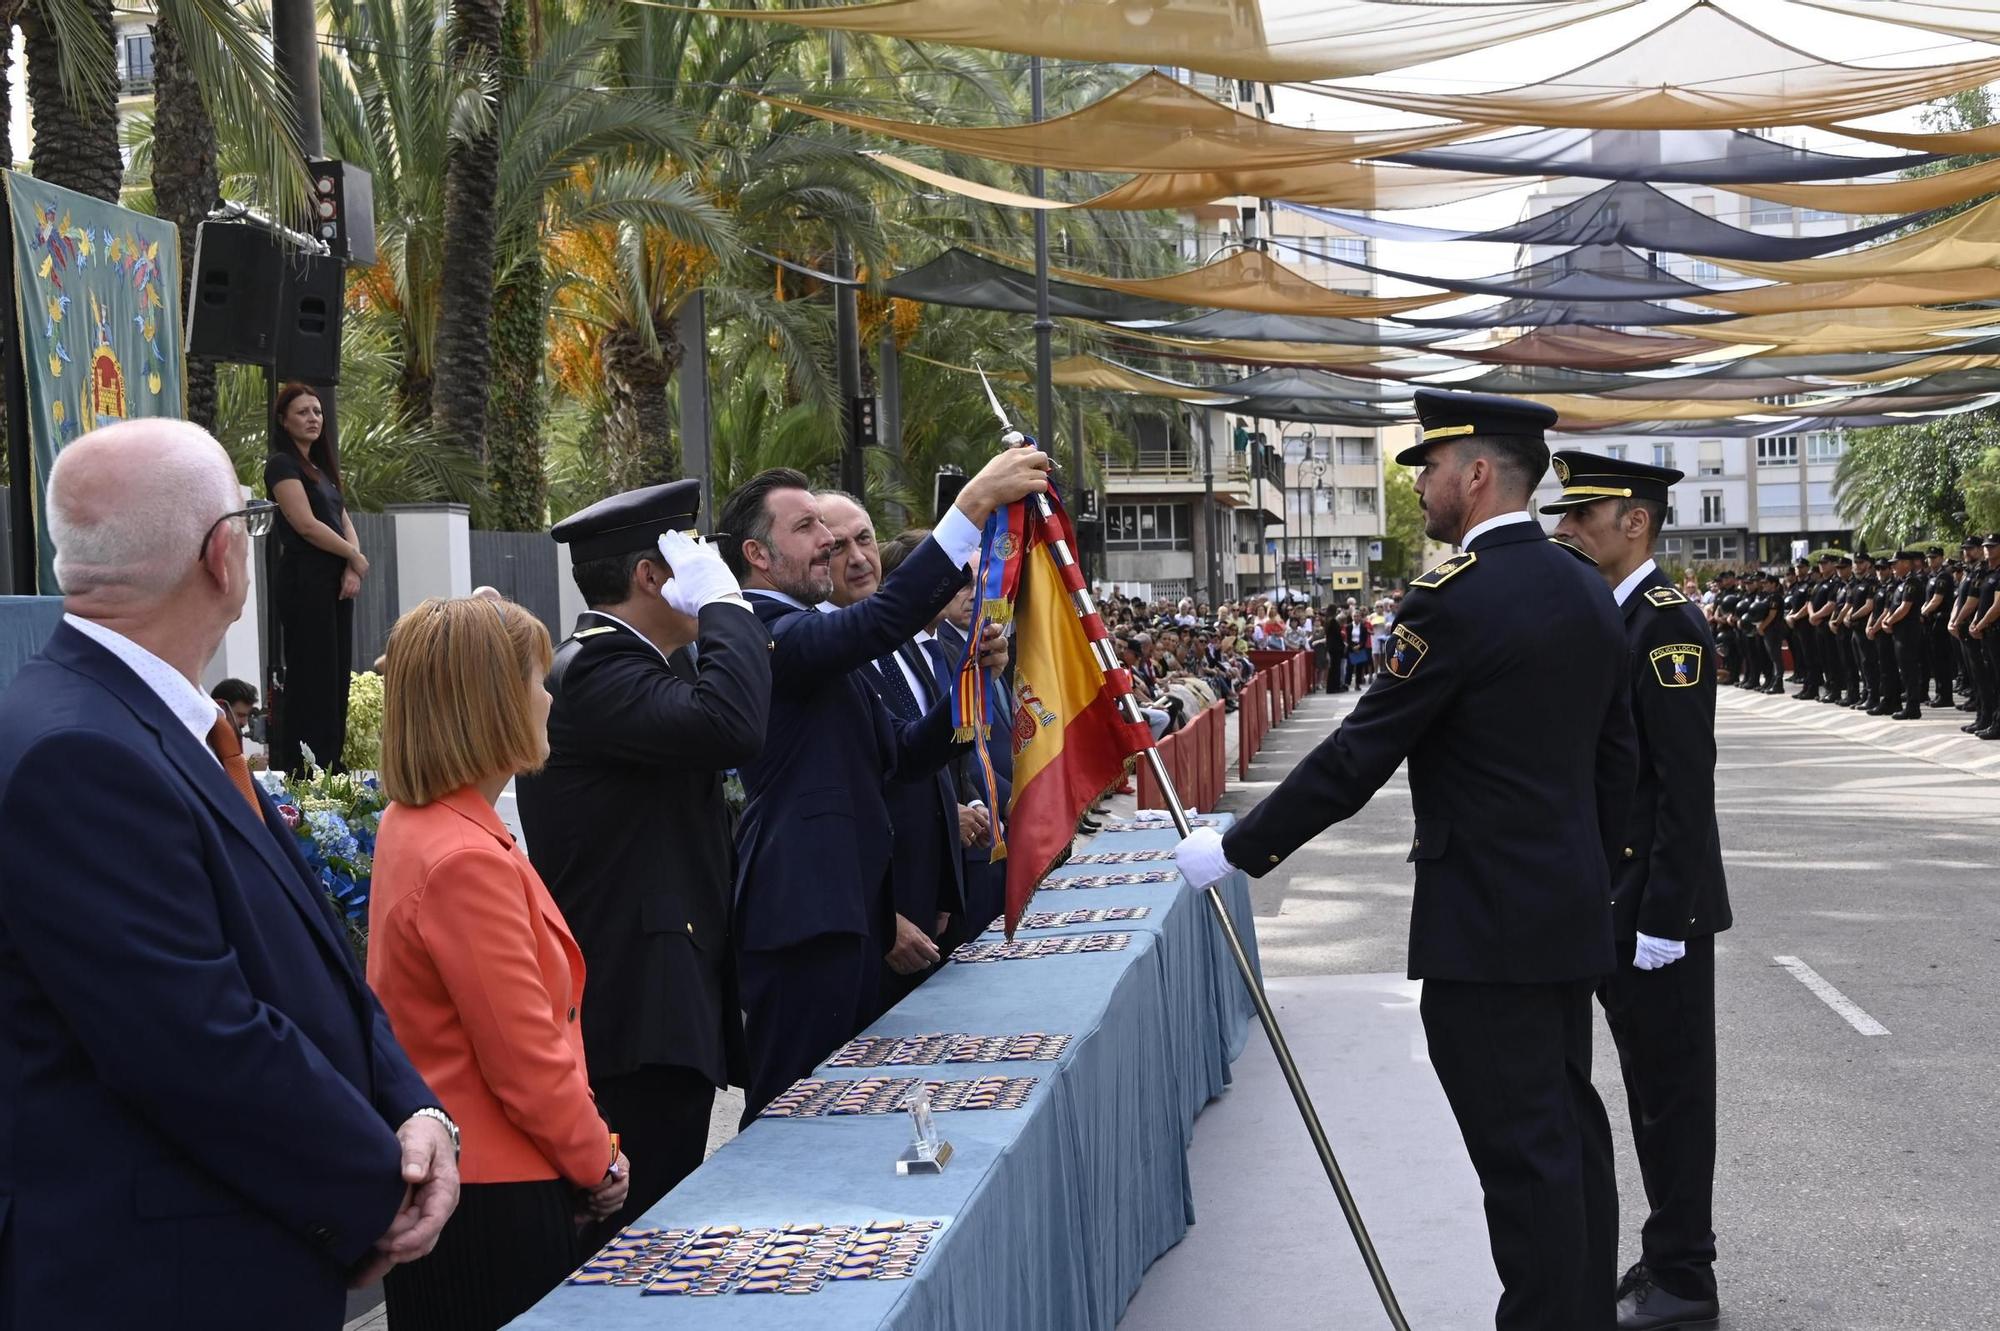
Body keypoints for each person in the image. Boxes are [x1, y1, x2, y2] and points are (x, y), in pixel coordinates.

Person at [1176, 390, 1636, 1331]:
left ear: (1476, 474)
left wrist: (1234, 843)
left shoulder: (1455, 599)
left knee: (1522, 1156)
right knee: (1567, 1135)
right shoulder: (1586, 584)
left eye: (1429, 467)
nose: (1421, 484)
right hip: (1565, 912)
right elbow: (1619, 762)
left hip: (1486, 927)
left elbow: (1358, 756)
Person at [0, 419, 455, 1329]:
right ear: (222, 554)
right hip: (164, 1281)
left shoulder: (148, 721)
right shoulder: (78, 751)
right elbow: (198, 1039)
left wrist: (418, 1111)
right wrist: (382, 1186)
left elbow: (314, 961)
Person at [720, 445, 1049, 1120]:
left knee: (839, 1105)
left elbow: (899, 754)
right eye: (808, 529)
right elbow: (880, 618)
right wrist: (972, 506)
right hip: (803, 919)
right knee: (791, 1108)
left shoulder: (809, 635)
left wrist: (972, 682)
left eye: (836, 531)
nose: (830, 547)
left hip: (845, 912)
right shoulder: (761, 630)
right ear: (758, 554)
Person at [368, 596, 630, 1331]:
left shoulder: (420, 824)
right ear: (491, 703)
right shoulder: (463, 856)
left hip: (470, 1183)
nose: (547, 697)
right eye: (533, 679)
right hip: (495, 1198)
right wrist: (598, 1158)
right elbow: (525, 1058)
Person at [515, 480, 770, 1228]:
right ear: (652, 576)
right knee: (640, 1245)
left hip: (662, 1004)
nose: (704, 575)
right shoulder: (596, 669)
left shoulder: (639, 666)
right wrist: (726, 602)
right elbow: (734, 724)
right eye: (690, 558)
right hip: (637, 1017)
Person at [1545, 451, 1732, 1331]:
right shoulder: (1609, 615)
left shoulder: (1667, 625)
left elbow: (1683, 787)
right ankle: (1665, 1252)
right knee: (1648, 1092)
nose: (1566, 529)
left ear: (1636, 523)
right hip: (1617, 898)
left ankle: (1686, 1275)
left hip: (1660, 908)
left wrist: (1663, 916)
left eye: (1584, 515)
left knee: (1671, 1098)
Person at [826, 508, 971, 1007]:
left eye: (863, 538)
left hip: (930, 906)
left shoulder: (903, 644)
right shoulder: (817, 655)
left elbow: (917, 755)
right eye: (836, 546)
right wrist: (882, 917)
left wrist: (978, 681)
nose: (857, 557)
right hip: (875, 922)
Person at [264, 382, 367, 774]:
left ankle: (330, 763)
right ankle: (304, 768)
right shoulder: (281, 465)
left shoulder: (321, 470)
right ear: (283, 420)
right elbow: (305, 525)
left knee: (336, 677)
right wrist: (353, 557)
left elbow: (343, 520)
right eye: (303, 412)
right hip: (305, 580)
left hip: (335, 581)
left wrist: (351, 565)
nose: (313, 418)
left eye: (318, 412)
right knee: (312, 676)